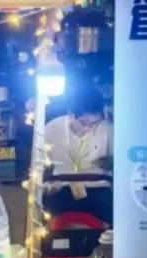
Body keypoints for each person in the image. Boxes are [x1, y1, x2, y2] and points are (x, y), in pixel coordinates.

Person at [43, 84, 113, 223]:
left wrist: (112, 162)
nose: (89, 128)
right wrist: (46, 186)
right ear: (71, 114)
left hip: (98, 188)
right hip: (62, 188)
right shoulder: (52, 129)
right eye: (85, 123)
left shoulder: (109, 130)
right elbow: (41, 166)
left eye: (95, 123)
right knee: (49, 219)